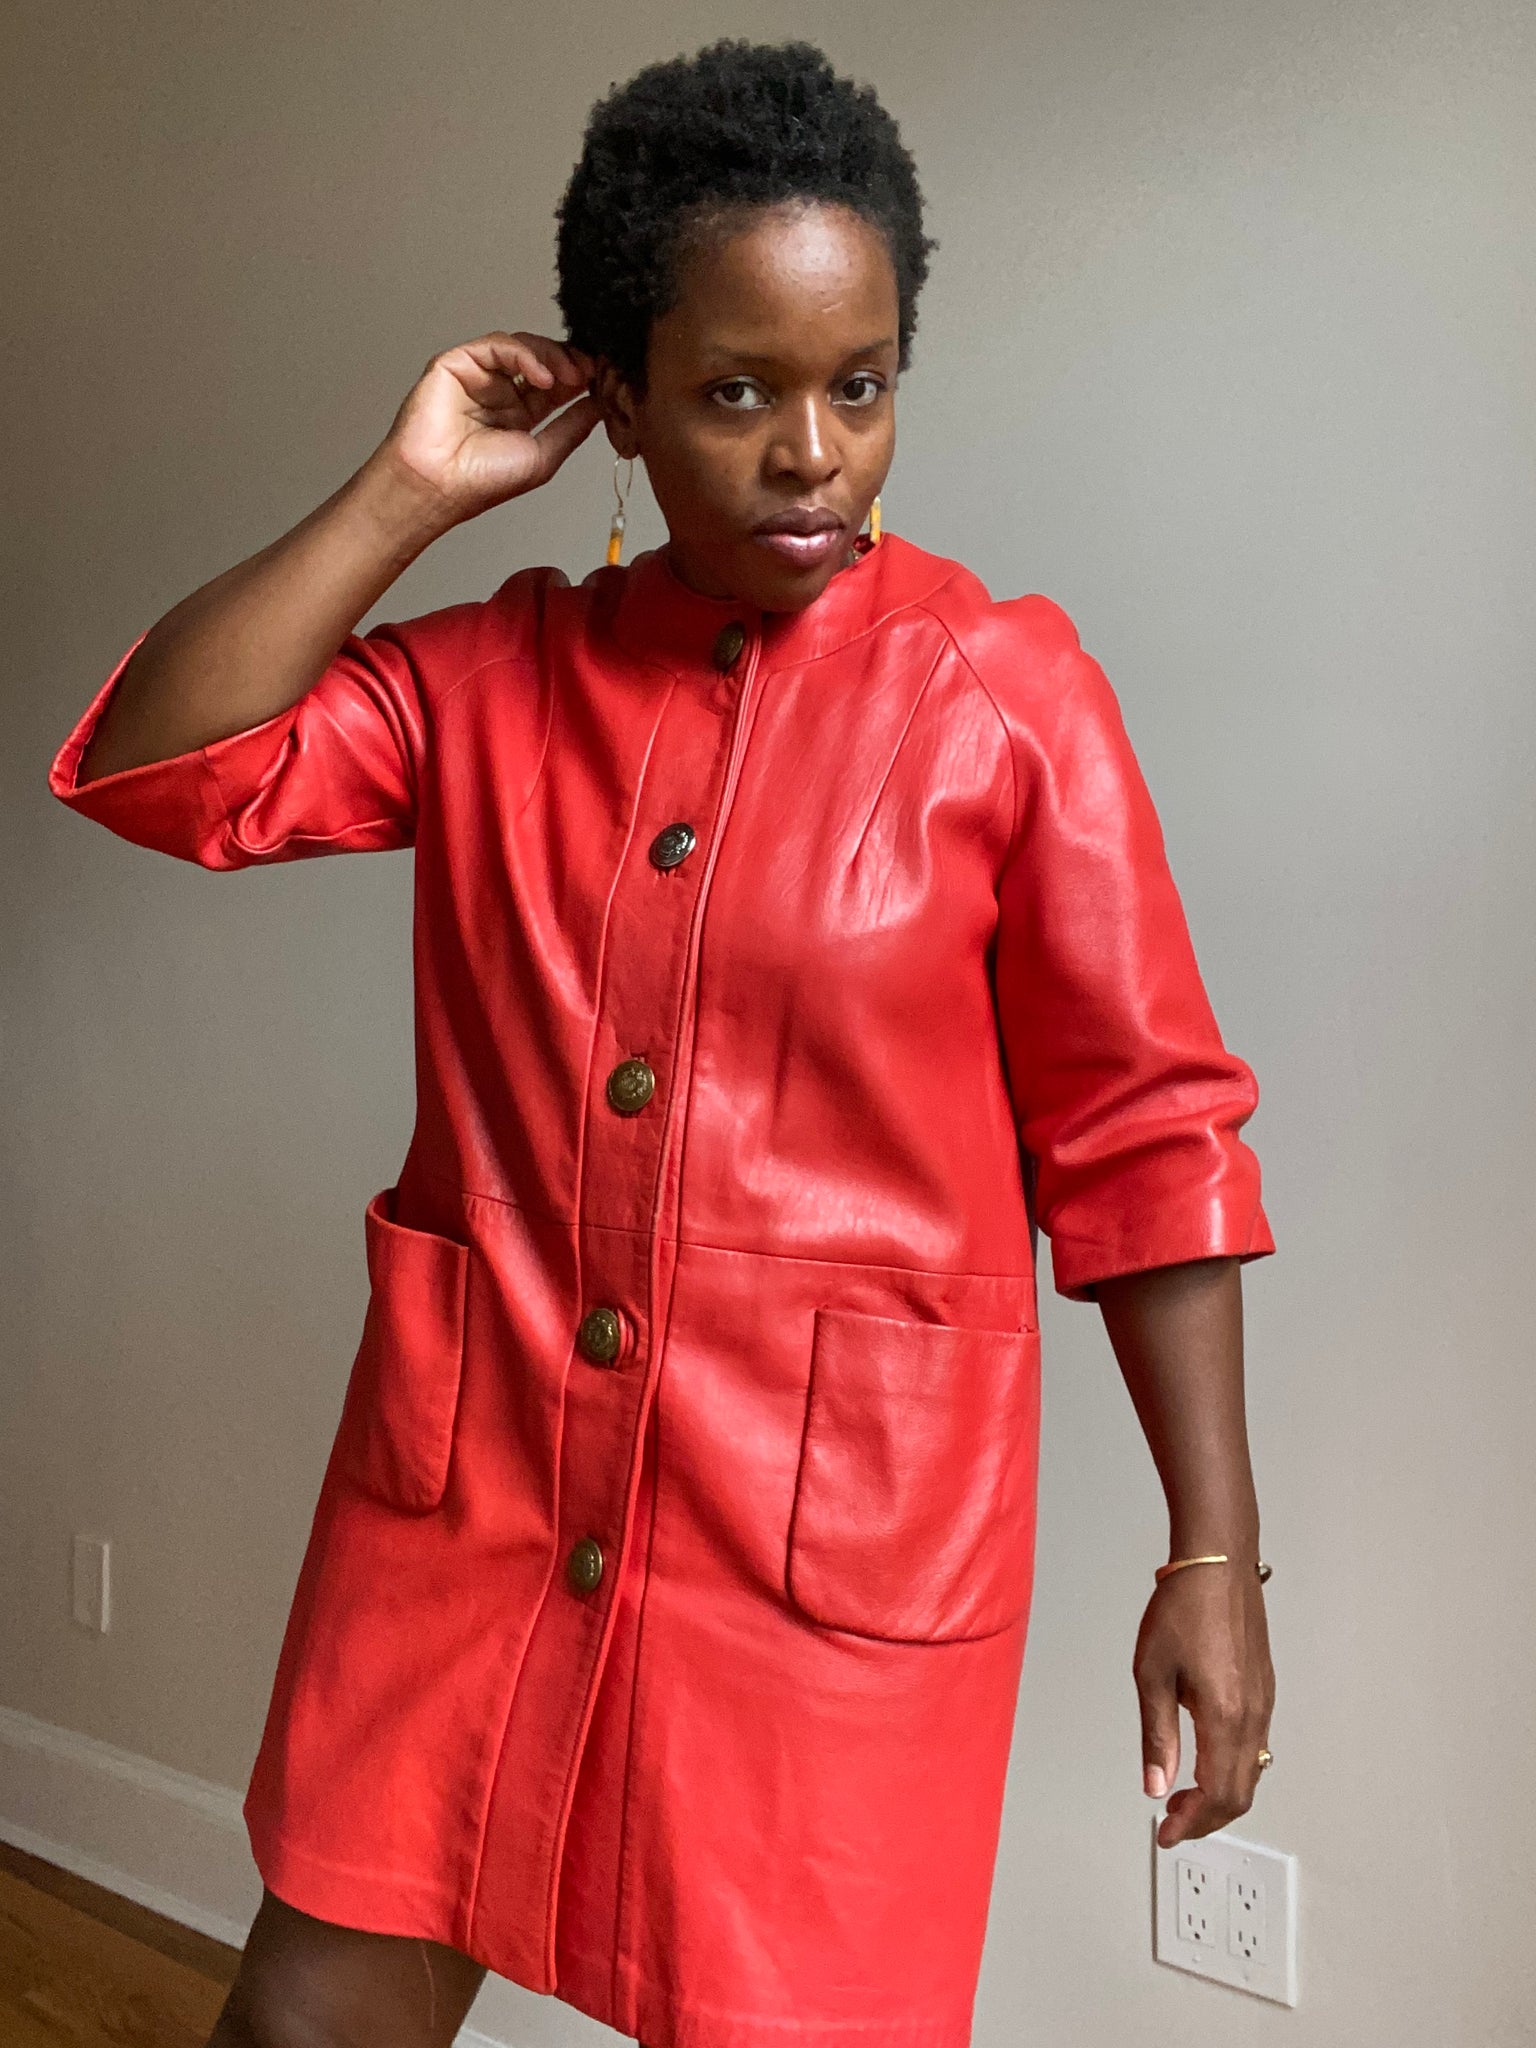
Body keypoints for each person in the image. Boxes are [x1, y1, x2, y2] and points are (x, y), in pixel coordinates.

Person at [46, 37, 1277, 2048]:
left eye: (857, 384)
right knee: (296, 2022)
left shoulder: (1006, 700)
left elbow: (1150, 1142)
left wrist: (1211, 1551)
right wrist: (408, 490)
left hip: (831, 1570)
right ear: (615, 398)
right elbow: (172, 769)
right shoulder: (490, 680)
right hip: (470, 1506)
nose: (812, 449)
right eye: (735, 391)